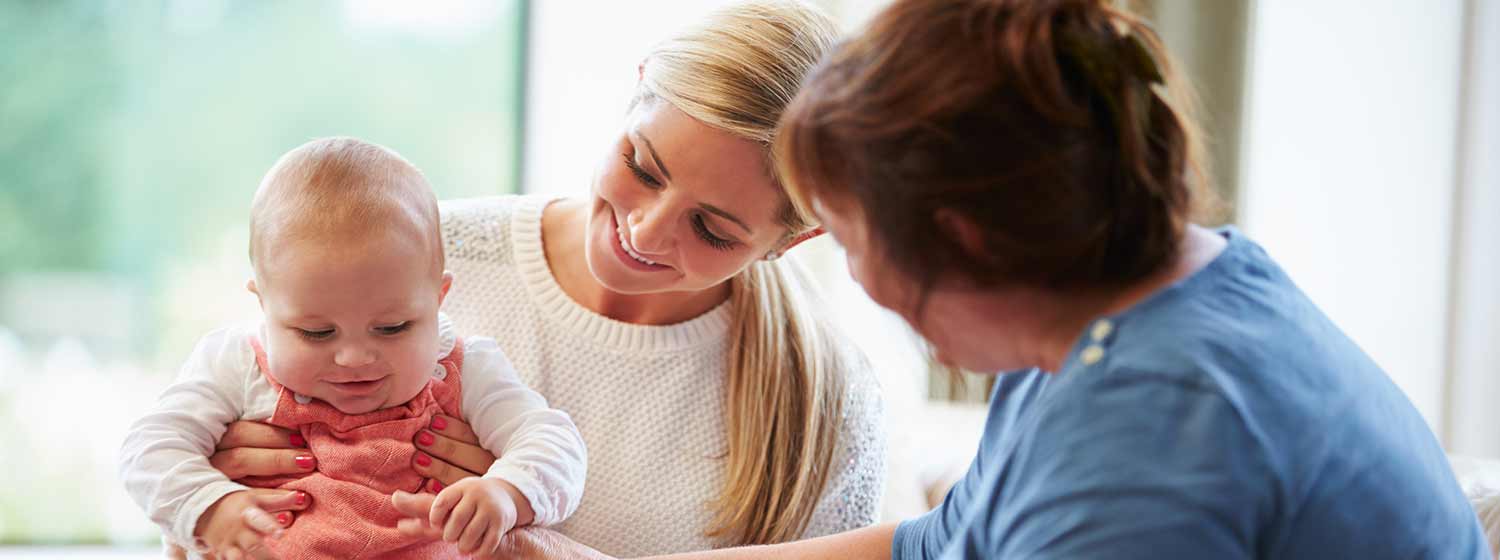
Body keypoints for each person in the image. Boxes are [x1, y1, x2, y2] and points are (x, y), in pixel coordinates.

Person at [518, 0, 1486, 557]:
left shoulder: (1157, 441)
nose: (854, 280)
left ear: (963, 241)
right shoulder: (1144, 297)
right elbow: (940, 544)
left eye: (849, 238)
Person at [180, 1, 888, 557]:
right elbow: (190, 516)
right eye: (642, 167)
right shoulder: (407, 257)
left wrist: (526, 543)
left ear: (793, 240)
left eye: (712, 229)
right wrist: (215, 499)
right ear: (637, 86)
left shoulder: (826, 402)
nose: (644, 232)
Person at [119, 137, 588, 559]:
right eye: (316, 333)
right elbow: (148, 449)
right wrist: (209, 506)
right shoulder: (236, 363)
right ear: (263, 305)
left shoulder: (467, 368)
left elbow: (555, 444)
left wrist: (508, 492)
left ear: (438, 299)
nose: (355, 358)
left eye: (393, 327)